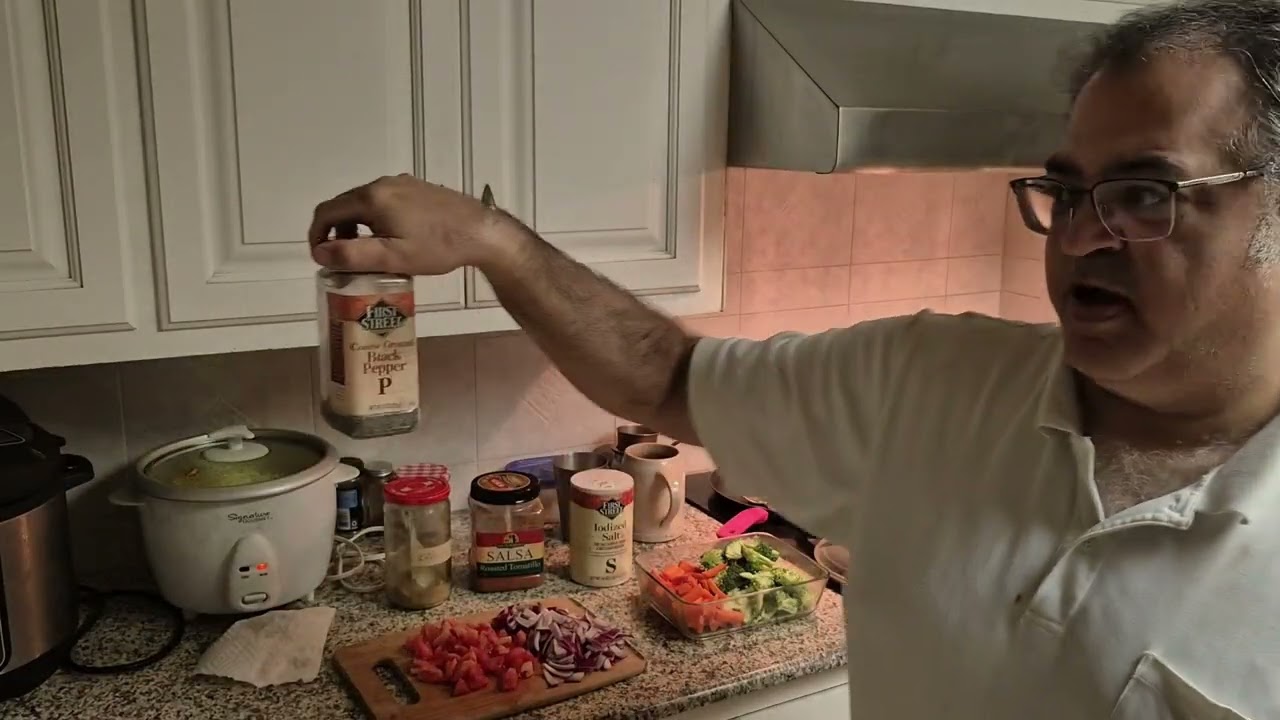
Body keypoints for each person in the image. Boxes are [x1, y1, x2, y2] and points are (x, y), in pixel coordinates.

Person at [309, 1, 1280, 716]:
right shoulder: (926, 382)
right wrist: (493, 239)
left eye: (1144, 194)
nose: (1075, 240)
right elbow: (664, 377)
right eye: (1065, 194)